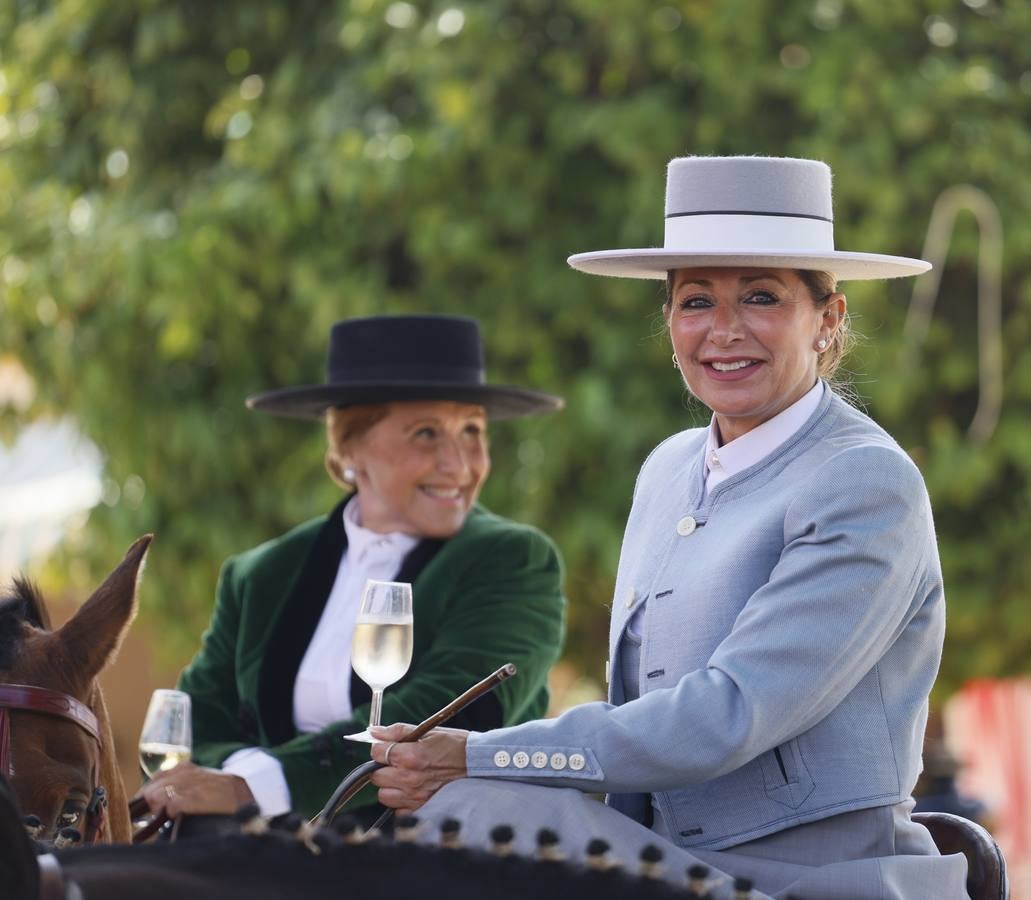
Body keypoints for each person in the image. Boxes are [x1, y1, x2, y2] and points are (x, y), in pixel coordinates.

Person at [367, 158, 969, 899]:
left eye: (759, 297)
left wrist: (483, 754)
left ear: (829, 319)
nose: (723, 331)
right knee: (450, 816)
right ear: (667, 321)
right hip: (656, 863)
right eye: (694, 302)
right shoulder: (666, 469)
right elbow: (634, 713)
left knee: (470, 797)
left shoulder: (863, 482)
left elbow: (727, 715)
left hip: (818, 881)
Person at [134, 314, 566, 823]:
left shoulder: (512, 560)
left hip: (440, 855)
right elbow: (198, 724)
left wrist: (251, 784)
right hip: (268, 854)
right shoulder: (260, 574)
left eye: (472, 430)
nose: (460, 463)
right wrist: (240, 787)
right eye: (426, 433)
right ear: (348, 448)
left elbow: (440, 718)